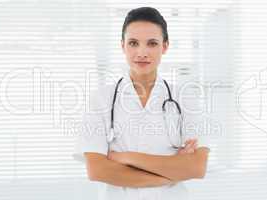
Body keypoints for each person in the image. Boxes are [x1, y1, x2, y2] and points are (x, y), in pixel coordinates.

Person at [76, 7, 210, 200]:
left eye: (152, 43)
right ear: (123, 46)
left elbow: (196, 167)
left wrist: (126, 157)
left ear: (165, 46)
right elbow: (97, 170)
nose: (142, 52)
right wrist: (171, 170)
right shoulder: (101, 99)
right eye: (133, 43)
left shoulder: (186, 99)